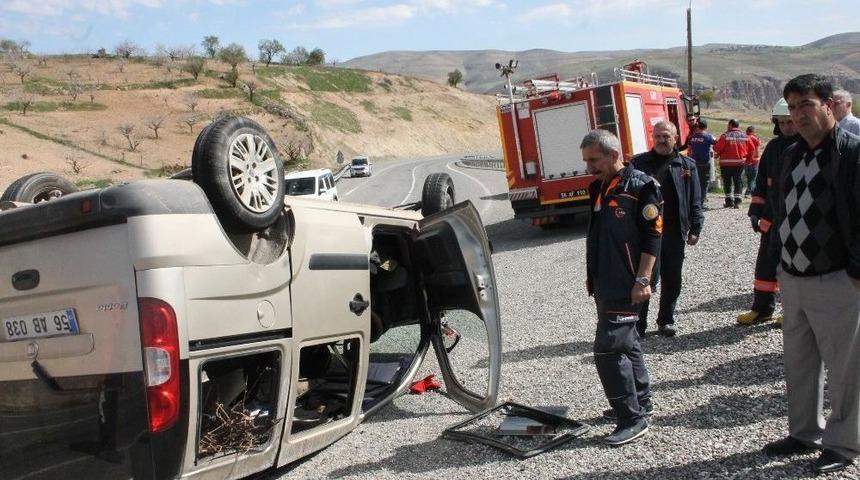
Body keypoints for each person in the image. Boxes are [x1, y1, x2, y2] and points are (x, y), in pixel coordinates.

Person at [761, 74, 860, 475]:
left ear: (828, 105)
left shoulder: (852, 153)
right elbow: (781, 207)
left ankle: (843, 444)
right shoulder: (791, 154)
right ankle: (803, 432)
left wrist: (857, 271)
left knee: (845, 368)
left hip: (837, 278)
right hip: (794, 277)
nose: (798, 115)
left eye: (806, 104)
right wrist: (779, 261)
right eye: (792, 107)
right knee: (799, 363)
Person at [583, 129, 662, 446]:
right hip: (605, 282)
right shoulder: (599, 187)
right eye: (586, 160)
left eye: (594, 160)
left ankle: (631, 419)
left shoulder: (642, 187)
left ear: (614, 155)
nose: (589, 167)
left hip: (629, 283)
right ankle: (641, 403)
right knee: (628, 344)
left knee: (609, 348)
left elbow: (654, 236)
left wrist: (643, 279)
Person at [632, 121, 703, 338]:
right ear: (652, 138)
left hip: (674, 232)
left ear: (675, 138)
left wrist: (696, 227)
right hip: (646, 234)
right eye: (658, 136)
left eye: (666, 136)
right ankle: (639, 325)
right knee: (645, 277)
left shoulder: (686, 165)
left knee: (672, 279)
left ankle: (666, 320)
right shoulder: (638, 164)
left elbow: (695, 199)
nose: (662, 140)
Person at [736, 99, 798, 327]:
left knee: (793, 270)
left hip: (797, 220)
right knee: (765, 267)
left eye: (789, 122)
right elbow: (761, 183)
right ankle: (762, 309)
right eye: (781, 123)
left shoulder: (808, 147)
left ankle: (793, 313)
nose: (786, 127)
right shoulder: (773, 148)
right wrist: (755, 210)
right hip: (772, 219)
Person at [713, 119, 756, 208]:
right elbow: (752, 149)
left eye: (728, 125)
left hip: (725, 164)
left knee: (727, 182)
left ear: (730, 125)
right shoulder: (745, 136)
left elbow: (717, 148)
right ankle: (737, 202)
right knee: (738, 181)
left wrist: (717, 147)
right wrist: (749, 160)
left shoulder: (725, 136)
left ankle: (729, 201)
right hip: (740, 163)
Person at [686, 119, 716, 208]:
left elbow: (689, 150)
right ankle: (702, 202)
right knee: (704, 183)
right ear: (706, 127)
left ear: (698, 127)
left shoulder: (691, 137)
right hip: (704, 163)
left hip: (693, 162)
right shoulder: (709, 137)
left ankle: (693, 201)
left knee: (695, 182)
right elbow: (716, 143)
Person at [743, 126, 761, 197]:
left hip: (746, 161)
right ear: (753, 132)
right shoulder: (756, 139)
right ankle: (748, 192)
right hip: (754, 161)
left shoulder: (744, 138)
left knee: (749, 178)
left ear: (747, 131)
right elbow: (757, 152)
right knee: (753, 178)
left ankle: (752, 192)